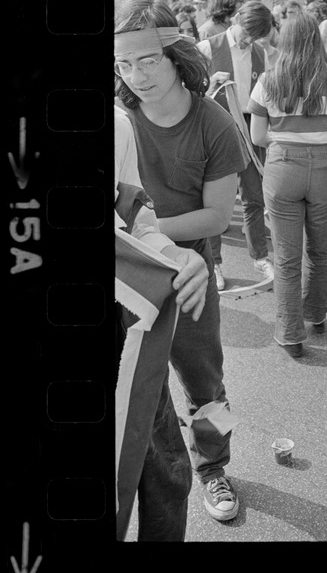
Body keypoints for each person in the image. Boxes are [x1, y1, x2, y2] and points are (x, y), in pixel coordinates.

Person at [114, 0, 249, 523]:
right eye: (124, 64)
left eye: (148, 61)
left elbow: (216, 217)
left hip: (190, 277)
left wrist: (142, 234)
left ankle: (214, 466)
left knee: (204, 382)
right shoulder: (119, 120)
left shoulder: (214, 122)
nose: (137, 76)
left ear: (176, 58)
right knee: (136, 387)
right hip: (126, 275)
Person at [115, 105, 209, 542]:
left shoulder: (116, 125)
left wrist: (177, 257)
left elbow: (136, 221)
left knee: (167, 473)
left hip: (122, 333)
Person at [249, 12, 327, 357]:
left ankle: (290, 334)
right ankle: (316, 314)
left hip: (282, 168)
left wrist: (286, 145)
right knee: (321, 249)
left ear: (285, 41)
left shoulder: (268, 81)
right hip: (325, 167)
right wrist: (326, 162)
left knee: (285, 256)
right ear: (317, 40)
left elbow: (257, 136)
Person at [197, 1, 276, 290]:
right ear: (236, 19)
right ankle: (214, 263)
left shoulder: (259, 53)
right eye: (247, 32)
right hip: (216, 127)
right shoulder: (206, 48)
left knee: (254, 196)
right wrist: (208, 87)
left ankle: (260, 255)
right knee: (214, 201)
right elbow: (188, 95)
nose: (248, 40)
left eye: (255, 36)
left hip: (249, 126)